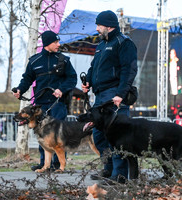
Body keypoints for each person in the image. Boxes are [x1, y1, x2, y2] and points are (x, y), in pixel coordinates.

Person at [82, 10, 137, 184]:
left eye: (99, 25)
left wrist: (120, 94)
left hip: (114, 95)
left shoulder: (124, 43)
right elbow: (93, 67)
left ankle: (120, 176)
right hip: (99, 96)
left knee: (117, 137)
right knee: (99, 135)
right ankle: (108, 170)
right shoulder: (101, 45)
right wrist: (88, 81)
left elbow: (129, 70)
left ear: (109, 26)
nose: (97, 28)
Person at [13, 30, 77, 171]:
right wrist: (19, 90)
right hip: (40, 106)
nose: (58, 45)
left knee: (58, 136)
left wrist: (61, 89)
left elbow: (72, 79)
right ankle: (44, 164)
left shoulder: (64, 60)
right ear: (48, 43)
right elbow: (27, 79)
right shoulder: (34, 61)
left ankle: (58, 165)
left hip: (58, 104)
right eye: (56, 42)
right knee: (42, 135)